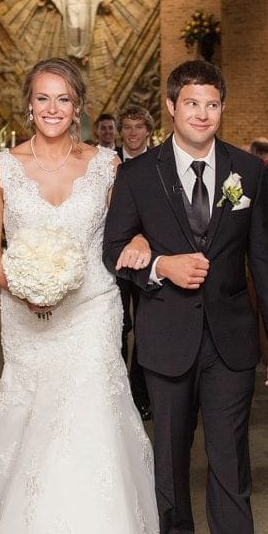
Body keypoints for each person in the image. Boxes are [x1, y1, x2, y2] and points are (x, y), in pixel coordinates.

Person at [0, 57, 160, 534]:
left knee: (90, 417)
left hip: (92, 307)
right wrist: (22, 288)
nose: (52, 109)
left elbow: (131, 228)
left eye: (63, 99)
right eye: (43, 98)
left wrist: (139, 240)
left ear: (78, 106)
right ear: (28, 105)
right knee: (34, 417)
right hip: (26, 314)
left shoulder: (108, 166)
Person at [104, 59, 268, 534]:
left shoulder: (248, 171)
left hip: (231, 341)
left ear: (222, 108)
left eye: (212, 104)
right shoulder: (139, 174)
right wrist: (160, 265)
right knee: (170, 457)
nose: (203, 114)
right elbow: (112, 249)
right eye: (192, 103)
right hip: (166, 336)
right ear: (171, 106)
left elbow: (263, 260)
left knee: (230, 461)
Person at [115, 104, 154, 420]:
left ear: (148, 131)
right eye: (127, 127)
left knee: (145, 326)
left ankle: (141, 396)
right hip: (115, 257)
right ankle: (118, 396)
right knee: (118, 324)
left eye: (139, 127)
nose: (133, 133)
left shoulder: (161, 162)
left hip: (150, 256)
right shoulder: (109, 164)